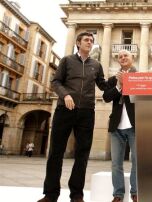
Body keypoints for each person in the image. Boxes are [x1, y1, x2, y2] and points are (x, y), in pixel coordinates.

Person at [38, 32, 109, 202]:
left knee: (82, 154)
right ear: (78, 43)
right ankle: (50, 194)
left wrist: (120, 78)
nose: (89, 42)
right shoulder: (67, 60)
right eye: (86, 40)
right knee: (56, 152)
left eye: (91, 41)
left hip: (86, 112)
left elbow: (103, 85)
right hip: (64, 110)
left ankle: (77, 194)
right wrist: (65, 95)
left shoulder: (96, 65)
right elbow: (55, 82)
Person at [103, 49, 137, 202]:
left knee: (136, 161)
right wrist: (118, 86)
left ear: (132, 58)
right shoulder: (112, 80)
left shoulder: (141, 77)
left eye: (126, 56)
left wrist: (128, 83)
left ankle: (135, 192)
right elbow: (106, 97)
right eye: (120, 56)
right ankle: (118, 194)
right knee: (116, 163)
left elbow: (143, 98)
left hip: (135, 126)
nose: (123, 58)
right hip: (116, 126)